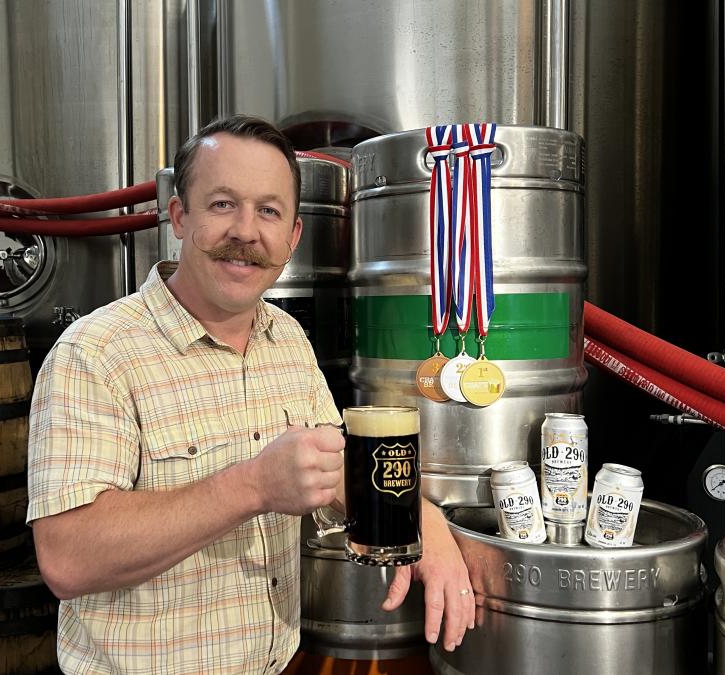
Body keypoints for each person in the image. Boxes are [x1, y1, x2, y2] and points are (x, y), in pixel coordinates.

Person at [27, 115, 474, 675]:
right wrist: (253, 486)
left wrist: (424, 525)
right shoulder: (95, 354)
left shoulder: (286, 338)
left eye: (268, 210)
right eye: (221, 204)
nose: (245, 230)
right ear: (178, 217)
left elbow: (334, 470)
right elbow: (68, 557)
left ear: (292, 237)